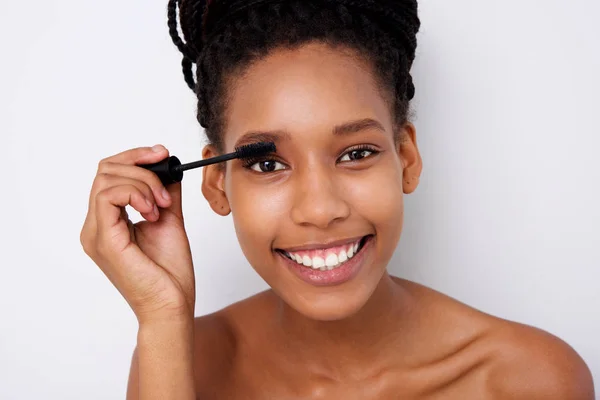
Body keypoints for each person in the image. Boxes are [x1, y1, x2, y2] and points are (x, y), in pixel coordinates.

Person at [80, 0, 595, 398]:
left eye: (356, 153)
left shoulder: (529, 379)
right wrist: (162, 316)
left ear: (407, 158)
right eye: (267, 163)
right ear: (217, 185)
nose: (320, 208)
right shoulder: (180, 360)